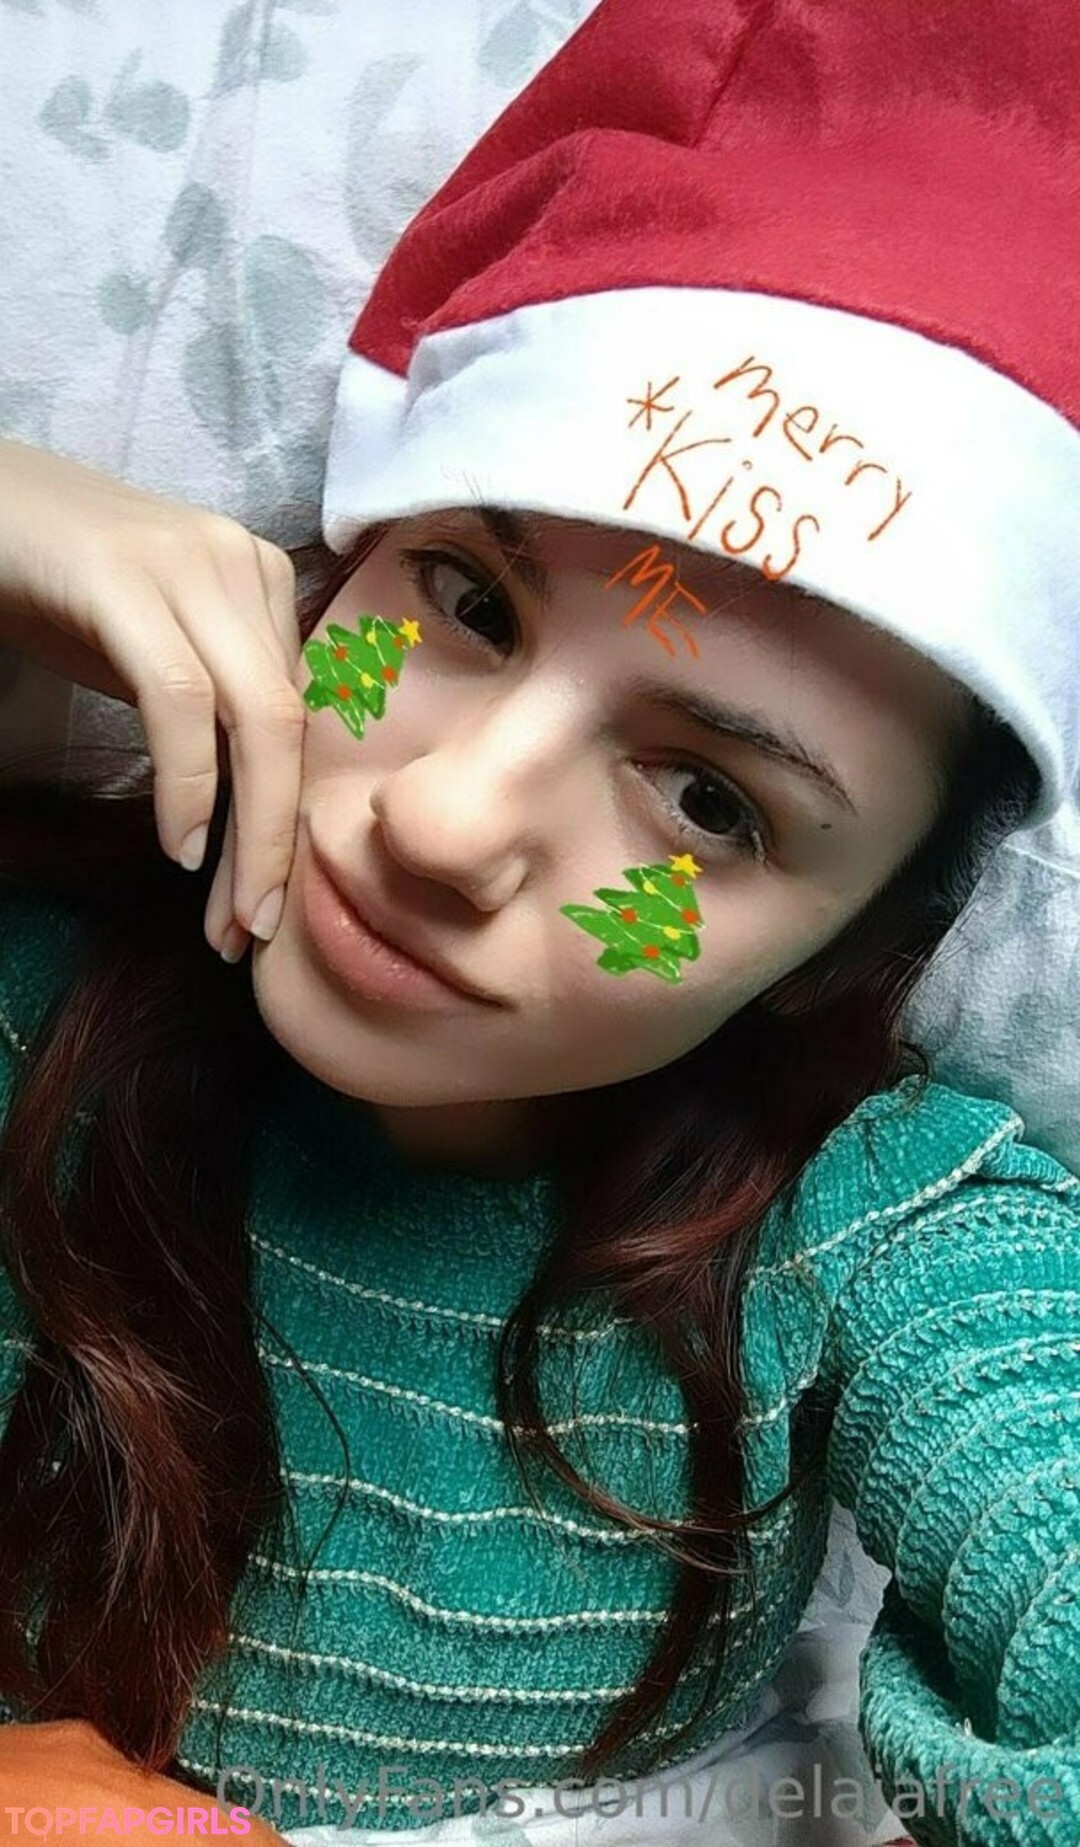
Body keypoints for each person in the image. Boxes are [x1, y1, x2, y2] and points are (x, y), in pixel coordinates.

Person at [0, 0, 1078, 1842]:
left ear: (847, 945)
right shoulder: (35, 989)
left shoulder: (872, 1238)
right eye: (469, 601)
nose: (443, 821)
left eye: (711, 802)